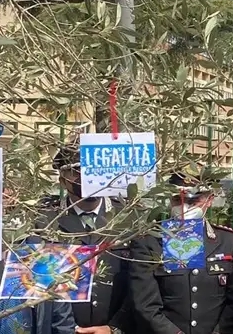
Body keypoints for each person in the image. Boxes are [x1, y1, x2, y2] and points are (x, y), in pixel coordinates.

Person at [130, 171, 233, 334]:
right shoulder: (149, 242)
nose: (185, 206)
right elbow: (145, 304)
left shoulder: (228, 242)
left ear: (209, 200)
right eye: (178, 199)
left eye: (194, 200)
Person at [40, 142, 133, 334]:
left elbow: (141, 282)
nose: (85, 178)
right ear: (62, 180)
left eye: (90, 170)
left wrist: (114, 327)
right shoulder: (45, 221)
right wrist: (66, 328)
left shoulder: (127, 217)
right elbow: (41, 280)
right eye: (76, 172)